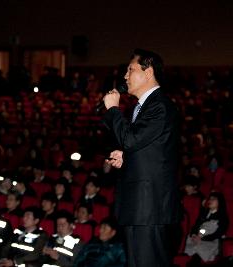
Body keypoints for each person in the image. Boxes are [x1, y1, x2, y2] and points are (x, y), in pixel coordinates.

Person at [102, 48, 180, 267]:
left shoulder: (160, 106)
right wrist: (128, 157)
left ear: (148, 73)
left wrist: (113, 111)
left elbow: (131, 139)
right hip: (139, 207)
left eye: (130, 69)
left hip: (150, 208)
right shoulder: (144, 106)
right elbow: (148, 148)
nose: (125, 76)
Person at [184, 192, 229, 266]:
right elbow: (195, 226)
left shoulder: (223, 217)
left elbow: (218, 234)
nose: (210, 201)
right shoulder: (204, 214)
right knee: (186, 244)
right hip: (198, 238)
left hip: (211, 241)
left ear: (220, 202)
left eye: (213, 199)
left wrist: (201, 238)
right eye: (210, 199)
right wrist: (194, 234)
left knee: (198, 252)